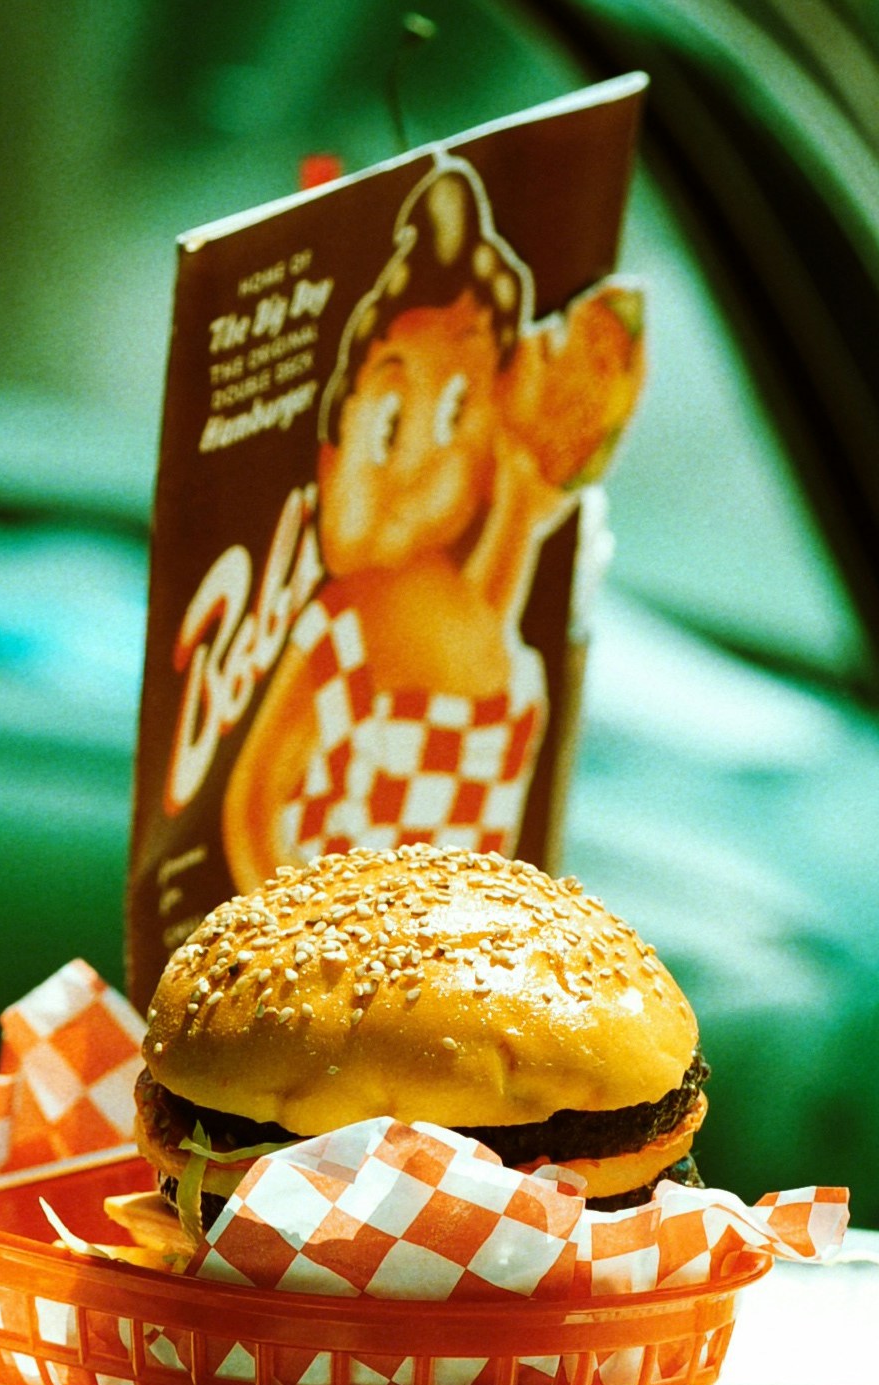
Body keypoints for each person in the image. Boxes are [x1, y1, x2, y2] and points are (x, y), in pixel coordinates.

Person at [220, 157, 644, 892]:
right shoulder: (341, 623)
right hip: (320, 978)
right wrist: (300, 953)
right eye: (388, 424)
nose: (416, 469)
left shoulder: (499, 649)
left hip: (456, 982)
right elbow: (254, 810)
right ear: (331, 452)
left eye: (455, 417)